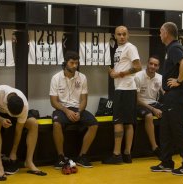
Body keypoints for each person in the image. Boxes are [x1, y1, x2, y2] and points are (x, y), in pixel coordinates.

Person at [150, 22, 183, 176]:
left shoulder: (175, 47)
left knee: (179, 130)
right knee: (166, 130)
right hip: (169, 96)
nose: (159, 34)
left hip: (176, 96)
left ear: (167, 33)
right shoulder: (170, 48)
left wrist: (179, 80)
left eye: (161, 31)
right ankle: (167, 162)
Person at [0, 85, 47, 181]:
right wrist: (2, 120)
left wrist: (13, 153)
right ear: (6, 105)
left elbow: (19, 131)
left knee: (33, 123)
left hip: (15, 115)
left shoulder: (24, 105)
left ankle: (29, 161)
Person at [50, 51, 98, 169]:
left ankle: (82, 156)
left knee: (94, 123)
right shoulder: (56, 78)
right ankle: (61, 157)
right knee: (56, 123)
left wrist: (79, 112)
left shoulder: (82, 77)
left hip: (77, 109)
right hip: (62, 109)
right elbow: (53, 102)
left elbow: (84, 100)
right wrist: (66, 111)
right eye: (72, 63)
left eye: (76, 63)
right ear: (65, 63)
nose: (75, 66)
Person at [102, 25, 142, 164]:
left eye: (124, 34)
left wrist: (120, 74)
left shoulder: (130, 47)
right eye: (119, 34)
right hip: (122, 88)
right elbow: (116, 68)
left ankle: (117, 154)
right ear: (115, 35)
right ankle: (127, 154)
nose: (122, 36)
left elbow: (138, 67)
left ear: (128, 34)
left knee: (119, 121)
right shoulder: (118, 49)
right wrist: (111, 72)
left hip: (126, 89)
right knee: (128, 121)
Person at [134, 56, 163, 159]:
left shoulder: (160, 77)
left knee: (170, 111)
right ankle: (155, 147)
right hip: (140, 104)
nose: (152, 66)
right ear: (147, 64)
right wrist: (153, 109)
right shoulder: (138, 76)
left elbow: (165, 93)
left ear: (158, 67)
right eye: (151, 64)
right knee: (149, 116)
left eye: (155, 65)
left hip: (154, 103)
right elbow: (136, 100)